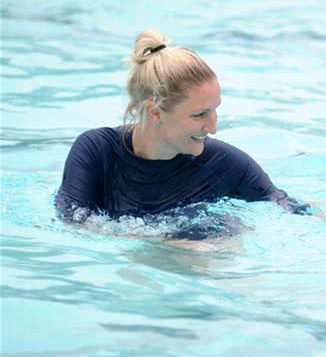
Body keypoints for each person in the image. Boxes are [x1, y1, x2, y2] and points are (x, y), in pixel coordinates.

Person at [55, 29, 309, 235]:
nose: (212, 127)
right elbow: (73, 226)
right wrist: (166, 242)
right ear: (154, 111)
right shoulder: (97, 152)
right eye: (199, 114)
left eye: (214, 110)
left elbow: (288, 207)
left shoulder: (226, 165)